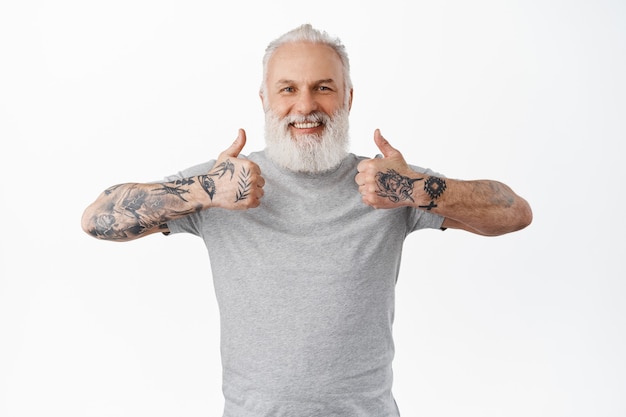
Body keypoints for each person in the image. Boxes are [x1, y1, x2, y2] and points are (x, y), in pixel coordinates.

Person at [81, 23, 532, 417]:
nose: (305, 106)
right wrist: (203, 191)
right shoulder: (220, 183)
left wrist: (414, 190)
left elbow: (513, 213)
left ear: (348, 98)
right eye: (288, 89)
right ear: (264, 99)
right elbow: (97, 219)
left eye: (323, 87)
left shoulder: (389, 183)